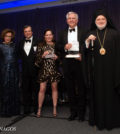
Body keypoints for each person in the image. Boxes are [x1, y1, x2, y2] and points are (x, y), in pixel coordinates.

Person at [85, 9, 120, 130]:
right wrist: (88, 42)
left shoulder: (115, 33)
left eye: (103, 19)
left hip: (112, 73)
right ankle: (99, 120)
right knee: (98, 97)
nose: (100, 21)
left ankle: (113, 121)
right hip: (97, 74)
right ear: (95, 21)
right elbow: (85, 54)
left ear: (107, 20)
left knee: (111, 97)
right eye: (98, 19)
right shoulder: (90, 34)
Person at [56, 11, 87, 121]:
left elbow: (86, 45)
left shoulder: (84, 31)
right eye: (69, 18)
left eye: (73, 18)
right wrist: (64, 46)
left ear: (77, 20)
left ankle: (82, 113)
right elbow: (58, 45)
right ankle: (73, 112)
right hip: (67, 63)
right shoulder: (61, 32)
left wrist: (82, 55)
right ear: (66, 20)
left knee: (81, 87)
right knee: (70, 88)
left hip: (79, 62)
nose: (71, 20)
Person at [35, 29, 61, 117]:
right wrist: (42, 56)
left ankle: (54, 107)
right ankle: (39, 108)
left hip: (54, 70)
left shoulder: (56, 45)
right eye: (47, 35)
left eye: (50, 35)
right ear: (44, 36)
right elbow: (37, 62)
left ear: (53, 36)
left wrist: (57, 58)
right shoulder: (40, 45)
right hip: (43, 71)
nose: (48, 36)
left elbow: (61, 60)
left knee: (54, 88)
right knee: (42, 89)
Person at [19, 25, 39, 115]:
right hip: (24, 71)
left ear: (32, 32)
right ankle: (26, 109)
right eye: (25, 31)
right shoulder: (20, 43)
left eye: (29, 31)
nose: (27, 33)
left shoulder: (38, 42)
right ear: (24, 33)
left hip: (35, 71)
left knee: (35, 90)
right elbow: (19, 56)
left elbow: (41, 55)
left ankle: (36, 108)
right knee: (25, 91)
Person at [0, 29, 20, 117]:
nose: (8, 38)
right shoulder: (0, 46)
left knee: (14, 90)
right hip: (3, 71)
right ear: (3, 37)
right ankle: (5, 111)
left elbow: (18, 58)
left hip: (14, 71)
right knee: (5, 91)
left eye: (9, 36)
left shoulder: (15, 46)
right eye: (6, 36)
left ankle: (14, 110)